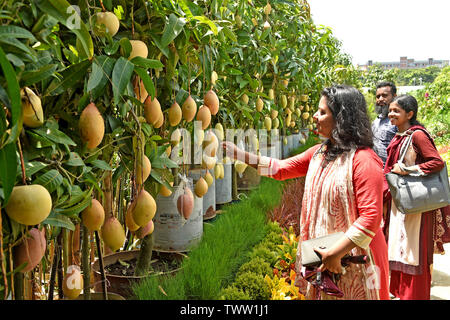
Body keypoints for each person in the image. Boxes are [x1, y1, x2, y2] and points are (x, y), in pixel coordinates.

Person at [222, 85, 389, 300]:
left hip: (355, 260)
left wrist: (334, 253)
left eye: (322, 112)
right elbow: (279, 169)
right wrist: (240, 155)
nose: (314, 116)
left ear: (341, 118)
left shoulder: (364, 161)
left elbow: (371, 218)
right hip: (327, 256)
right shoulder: (319, 153)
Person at [383, 94, 450, 300]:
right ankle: (403, 294)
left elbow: (436, 162)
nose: (391, 114)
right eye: (390, 110)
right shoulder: (399, 136)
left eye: (396, 111)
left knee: (414, 252)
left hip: (417, 205)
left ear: (409, 114)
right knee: (397, 248)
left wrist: (409, 170)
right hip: (400, 202)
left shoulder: (417, 135)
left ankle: (416, 295)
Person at [372, 81, 398, 165]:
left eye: (384, 95)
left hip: (392, 173)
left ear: (394, 97)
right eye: (378, 96)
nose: (380, 99)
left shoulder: (399, 120)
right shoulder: (376, 121)